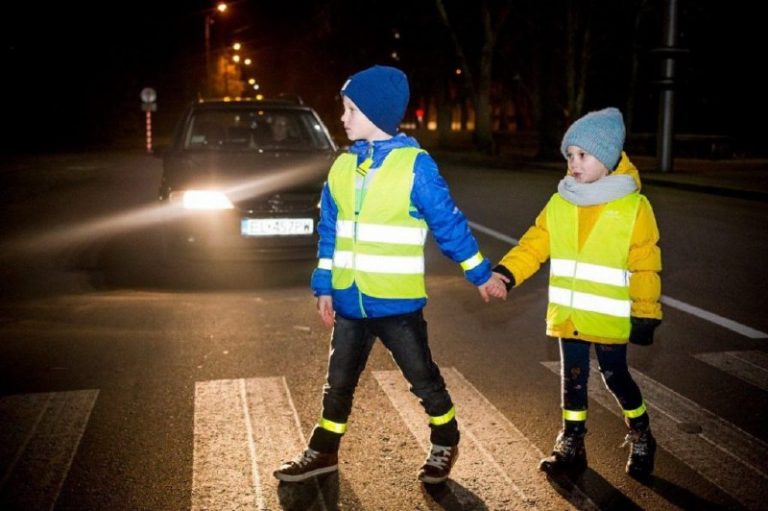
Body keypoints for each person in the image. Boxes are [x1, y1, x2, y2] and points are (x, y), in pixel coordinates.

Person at [273, 65, 499, 485]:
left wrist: (480, 274)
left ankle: (445, 439)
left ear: (376, 113)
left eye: (350, 109)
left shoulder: (415, 166)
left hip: (396, 304)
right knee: (338, 384)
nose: (342, 118)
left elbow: (448, 224)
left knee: (423, 380)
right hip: (349, 300)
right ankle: (323, 450)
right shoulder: (341, 167)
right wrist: (324, 285)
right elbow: (330, 232)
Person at [486, 107, 662, 479]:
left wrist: (646, 311)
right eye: (569, 155)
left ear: (608, 158)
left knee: (615, 377)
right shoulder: (561, 202)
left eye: (583, 154)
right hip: (568, 315)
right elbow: (534, 244)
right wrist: (505, 273)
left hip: (609, 317)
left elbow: (645, 263)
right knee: (573, 378)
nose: (574, 163)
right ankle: (572, 440)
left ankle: (641, 432)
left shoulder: (633, 207)